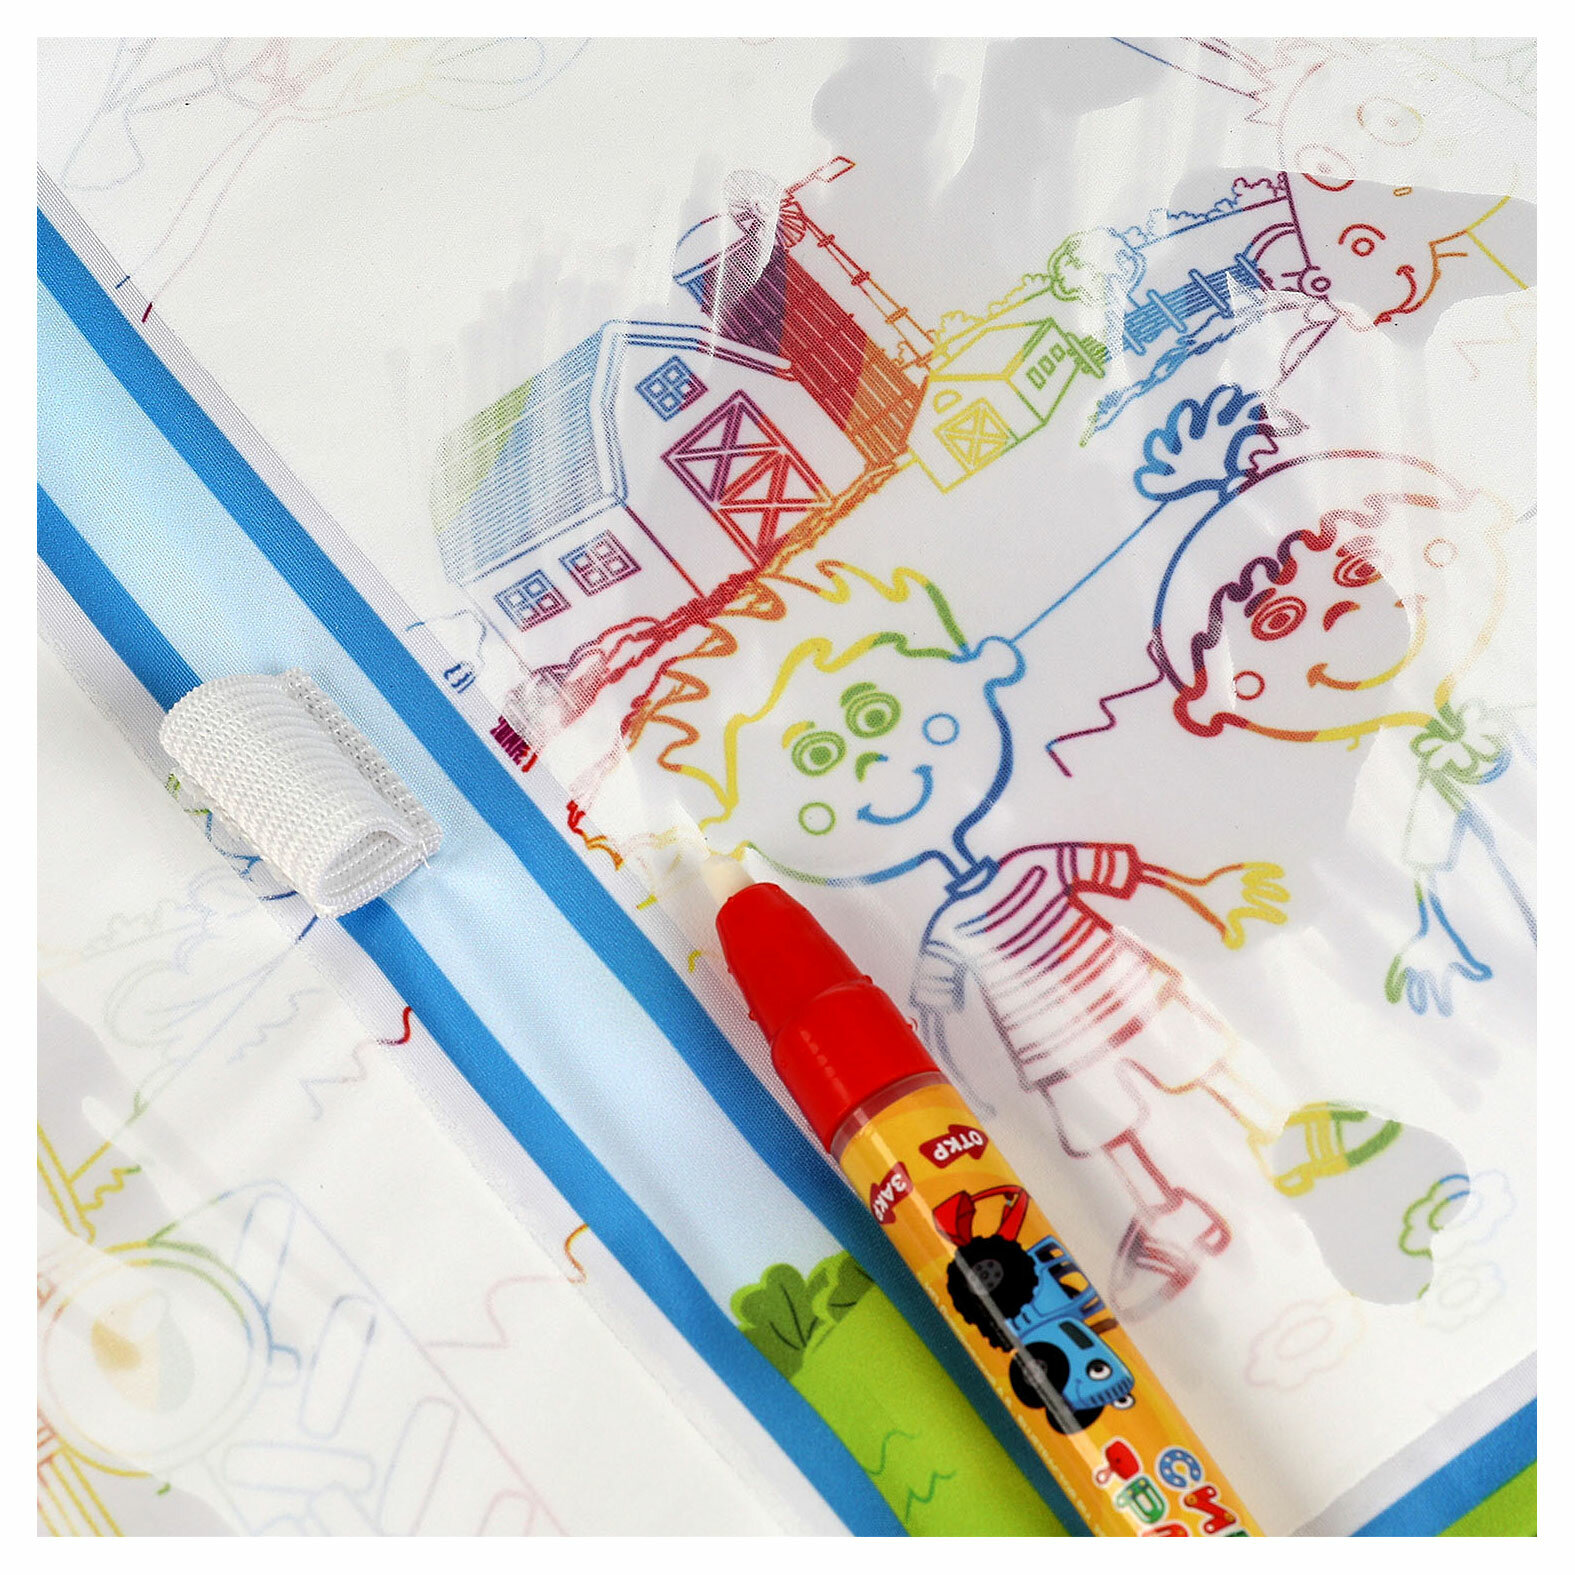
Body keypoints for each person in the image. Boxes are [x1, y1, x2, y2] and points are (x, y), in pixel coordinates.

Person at [682, 565, 1290, 1315]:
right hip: (1049, 1038)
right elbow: (932, 1010)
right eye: (822, 762)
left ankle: (1279, 1136)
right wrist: (960, 1075)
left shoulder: (1028, 867)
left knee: (1193, 1061)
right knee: (1109, 1123)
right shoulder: (951, 926)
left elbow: (1114, 872)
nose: (879, 767)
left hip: (1111, 985)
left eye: (880, 718)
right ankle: (1165, 1215)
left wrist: (1205, 890)